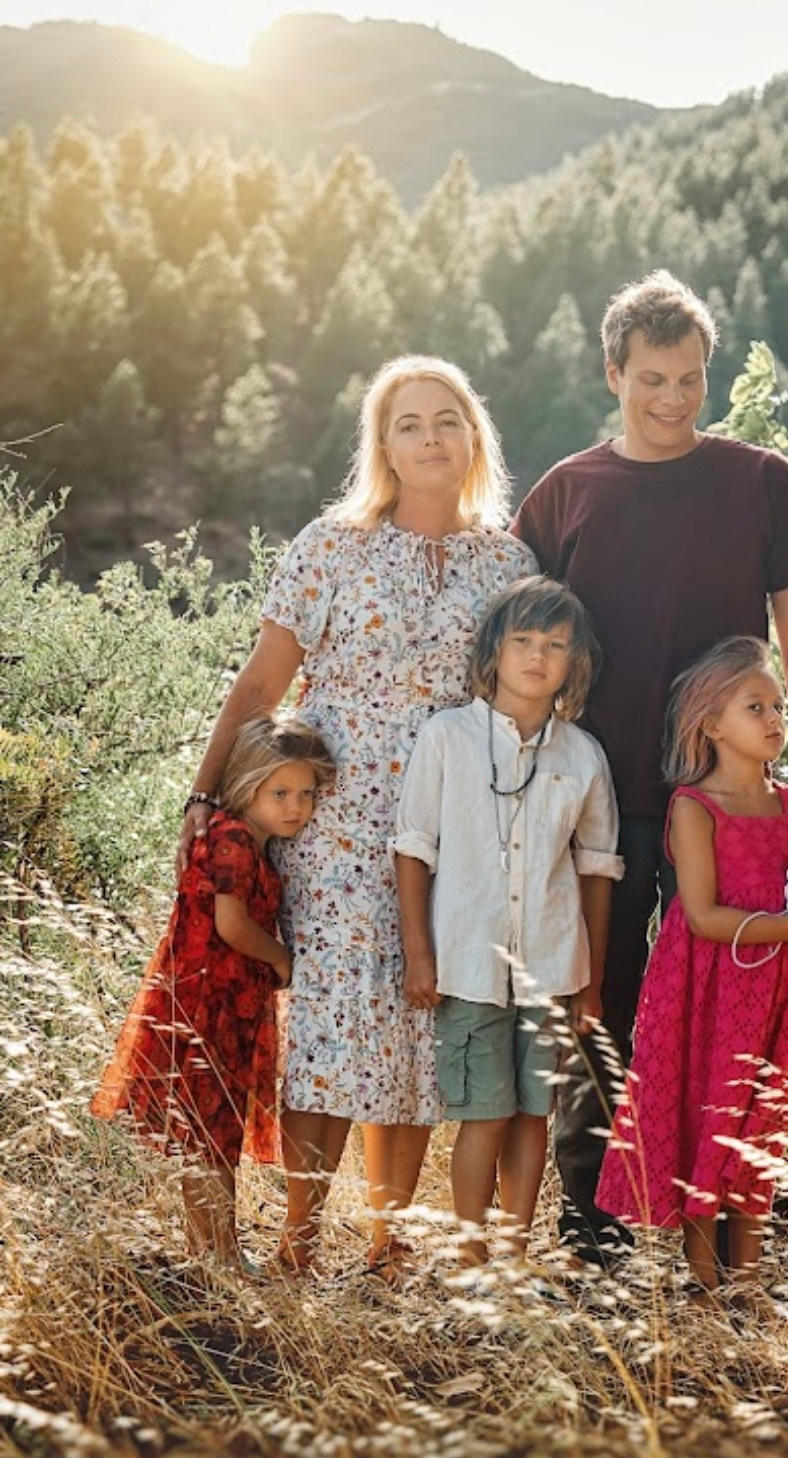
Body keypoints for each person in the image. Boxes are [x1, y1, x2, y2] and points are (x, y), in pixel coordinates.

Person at [511, 268, 788, 1268]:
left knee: (738, 980)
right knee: (603, 992)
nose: (672, 399)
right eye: (652, 378)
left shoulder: (759, 481)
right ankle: (598, 1214)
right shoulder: (566, 493)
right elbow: (518, 655)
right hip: (597, 786)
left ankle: (729, 1196)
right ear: (611, 372)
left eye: (691, 380)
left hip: (732, 791)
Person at [177, 355, 537, 1278]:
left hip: (452, 823)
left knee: (417, 1030)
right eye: (408, 424)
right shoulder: (330, 544)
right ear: (381, 444)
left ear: (473, 436)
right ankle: (298, 1243)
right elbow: (262, 680)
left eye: (445, 420)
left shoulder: (506, 560)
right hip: (333, 816)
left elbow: (525, 694)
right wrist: (207, 794)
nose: (429, 438)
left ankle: (384, 1246)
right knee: (339, 1023)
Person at [594, 636, 788, 1309]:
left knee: (759, 1117)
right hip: (703, 986)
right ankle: (704, 1284)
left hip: (773, 989)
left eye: (777, 707)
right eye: (754, 706)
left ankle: (749, 1283)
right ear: (710, 723)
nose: (774, 720)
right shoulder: (692, 806)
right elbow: (701, 915)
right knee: (708, 1110)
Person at [392, 576, 623, 1271]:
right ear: (493, 651)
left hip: (553, 966)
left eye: (554, 645)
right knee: (484, 1113)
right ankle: (471, 1258)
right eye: (522, 640)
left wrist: (590, 981)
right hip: (466, 963)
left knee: (532, 1115)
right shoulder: (447, 737)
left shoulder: (582, 755)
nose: (537, 656)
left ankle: (515, 1255)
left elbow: (597, 869)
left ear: (573, 663)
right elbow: (413, 848)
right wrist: (419, 954)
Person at [92, 714, 336, 1274]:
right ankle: (217, 1255)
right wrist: (278, 956)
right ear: (246, 784)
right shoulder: (232, 841)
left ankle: (212, 1249)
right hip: (210, 1004)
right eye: (279, 793)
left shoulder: (248, 837)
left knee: (210, 1131)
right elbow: (231, 925)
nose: (296, 807)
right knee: (210, 1131)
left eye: (305, 794)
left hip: (223, 999)